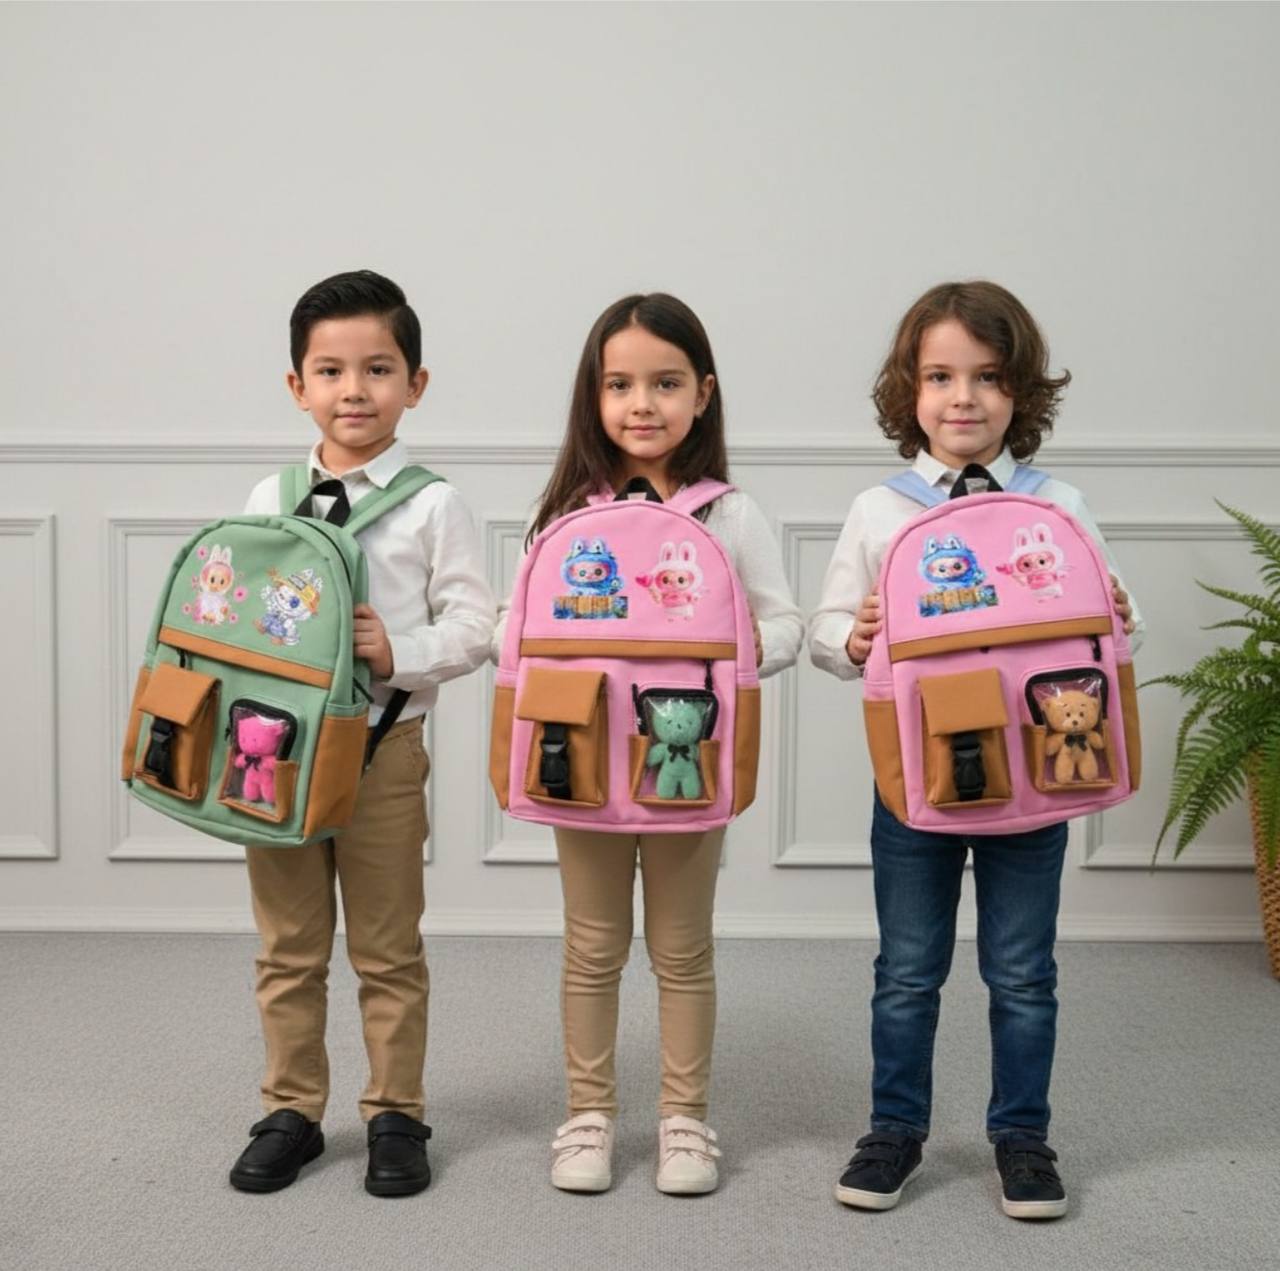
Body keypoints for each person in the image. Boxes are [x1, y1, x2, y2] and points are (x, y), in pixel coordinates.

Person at [809, 280, 1143, 1220]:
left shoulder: (1060, 503)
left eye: (989, 377)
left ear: (1021, 391)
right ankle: (894, 1128)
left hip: (1036, 779)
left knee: (1024, 972)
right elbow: (828, 634)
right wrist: (852, 636)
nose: (964, 398)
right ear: (908, 391)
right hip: (915, 784)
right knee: (906, 971)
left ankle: (1022, 1136)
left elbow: (1118, 635)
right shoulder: (880, 510)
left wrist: (1122, 611)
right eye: (941, 377)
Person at [493, 293, 803, 1195]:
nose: (642, 404)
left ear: (703, 394)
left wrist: (747, 644)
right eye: (620, 384)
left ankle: (684, 1118)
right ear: (592, 396)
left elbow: (784, 623)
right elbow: (514, 631)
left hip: (687, 755)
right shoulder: (563, 514)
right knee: (592, 945)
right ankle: (588, 1115)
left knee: (682, 947)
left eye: (666, 384)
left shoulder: (729, 516)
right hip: (581, 755)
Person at [229, 270, 495, 1197]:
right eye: (330, 370)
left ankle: (395, 1112)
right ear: (296, 385)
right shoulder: (269, 495)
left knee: (387, 947)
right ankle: (291, 1109)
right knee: (288, 944)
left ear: (415, 384)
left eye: (378, 369)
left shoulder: (433, 505)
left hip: (384, 751)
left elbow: (476, 627)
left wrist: (399, 650)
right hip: (277, 751)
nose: (354, 390)